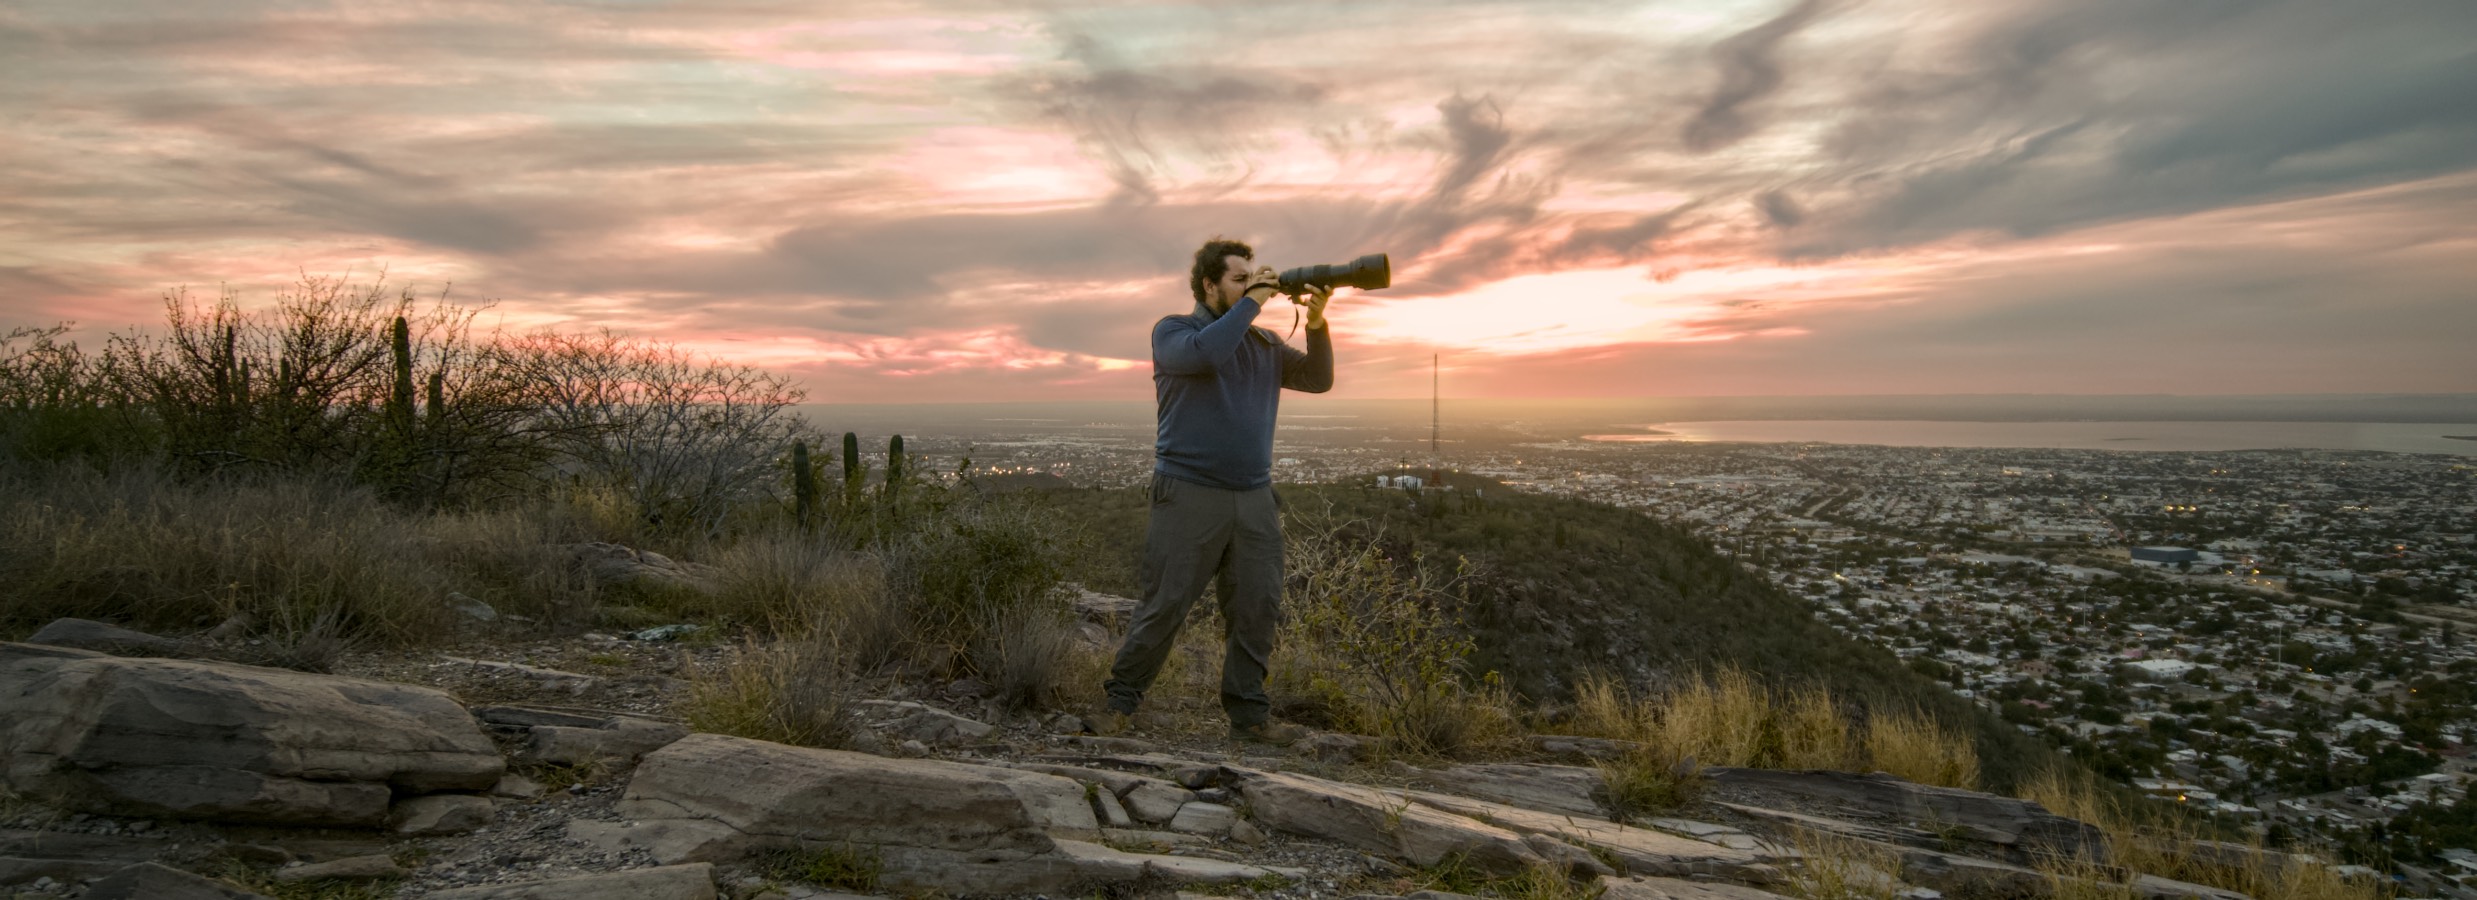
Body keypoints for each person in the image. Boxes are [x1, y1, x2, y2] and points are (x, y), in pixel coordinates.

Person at [1102, 236, 1334, 744]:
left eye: (1253, 279)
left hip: (1254, 497)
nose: (1251, 287)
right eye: (1239, 279)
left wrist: (1316, 324)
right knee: (1165, 603)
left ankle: (1249, 718)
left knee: (1256, 607)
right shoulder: (1175, 332)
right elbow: (1206, 357)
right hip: (1189, 491)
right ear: (1210, 286)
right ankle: (1118, 705)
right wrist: (1255, 301)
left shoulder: (1263, 344)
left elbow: (1318, 379)